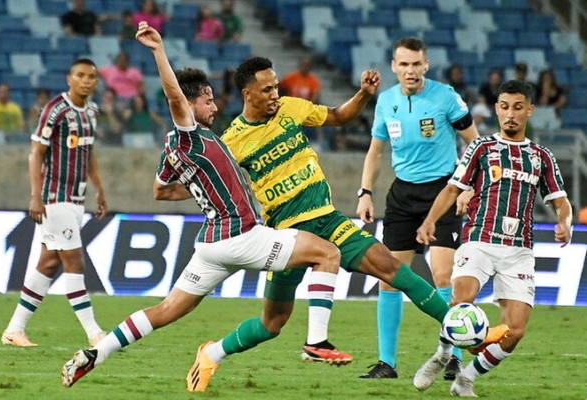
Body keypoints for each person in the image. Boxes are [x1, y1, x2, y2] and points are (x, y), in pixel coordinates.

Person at [60, 21, 344, 393]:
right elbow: (176, 98)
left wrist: (206, 189)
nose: (214, 104)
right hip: (242, 236)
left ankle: (97, 353)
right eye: (207, 99)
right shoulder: (189, 131)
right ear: (192, 103)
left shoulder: (173, 147)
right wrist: (159, 50)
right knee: (327, 254)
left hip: (210, 246)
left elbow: (161, 190)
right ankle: (317, 342)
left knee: (165, 311)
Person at [220, 56, 504, 382]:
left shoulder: (289, 108)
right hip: (286, 233)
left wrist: (363, 95)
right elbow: (211, 183)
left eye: (275, 86)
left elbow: (339, 116)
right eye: (266, 89)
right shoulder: (232, 141)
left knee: (394, 269)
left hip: (327, 218)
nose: (274, 94)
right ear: (247, 93)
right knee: (272, 323)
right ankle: (213, 352)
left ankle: (473, 337)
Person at [413, 79, 572, 397]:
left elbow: (560, 200)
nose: (510, 114)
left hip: (519, 250)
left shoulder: (541, 156)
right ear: (497, 109)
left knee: (515, 331)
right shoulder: (482, 148)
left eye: (517, 107)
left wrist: (564, 221)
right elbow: (453, 188)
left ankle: (466, 379)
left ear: (529, 109)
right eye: (504, 107)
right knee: (461, 301)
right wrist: (430, 220)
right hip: (480, 239)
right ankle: (443, 354)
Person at [356, 37, 481, 380]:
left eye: (416, 64)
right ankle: (387, 363)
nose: (410, 71)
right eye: (404, 64)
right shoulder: (386, 102)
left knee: (443, 275)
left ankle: (453, 356)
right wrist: (365, 192)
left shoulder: (445, 97)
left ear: (426, 65)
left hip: (442, 192)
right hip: (402, 196)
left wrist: (468, 186)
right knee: (390, 278)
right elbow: (375, 152)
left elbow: (476, 144)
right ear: (394, 67)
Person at [1, 58, 108, 347]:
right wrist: (35, 196)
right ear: (69, 78)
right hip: (55, 197)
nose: (86, 80)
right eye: (80, 75)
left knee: (48, 264)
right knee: (75, 262)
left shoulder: (92, 112)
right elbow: (35, 153)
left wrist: (99, 188)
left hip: (77, 198)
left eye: (91, 76)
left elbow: (89, 152)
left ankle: (14, 330)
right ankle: (94, 333)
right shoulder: (55, 110)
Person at [278, 57, 324, 145]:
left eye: (307, 66)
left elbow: (315, 96)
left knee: (308, 132)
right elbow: (280, 87)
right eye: (303, 65)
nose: (304, 67)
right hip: (291, 111)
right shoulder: (291, 77)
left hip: (305, 112)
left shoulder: (313, 81)